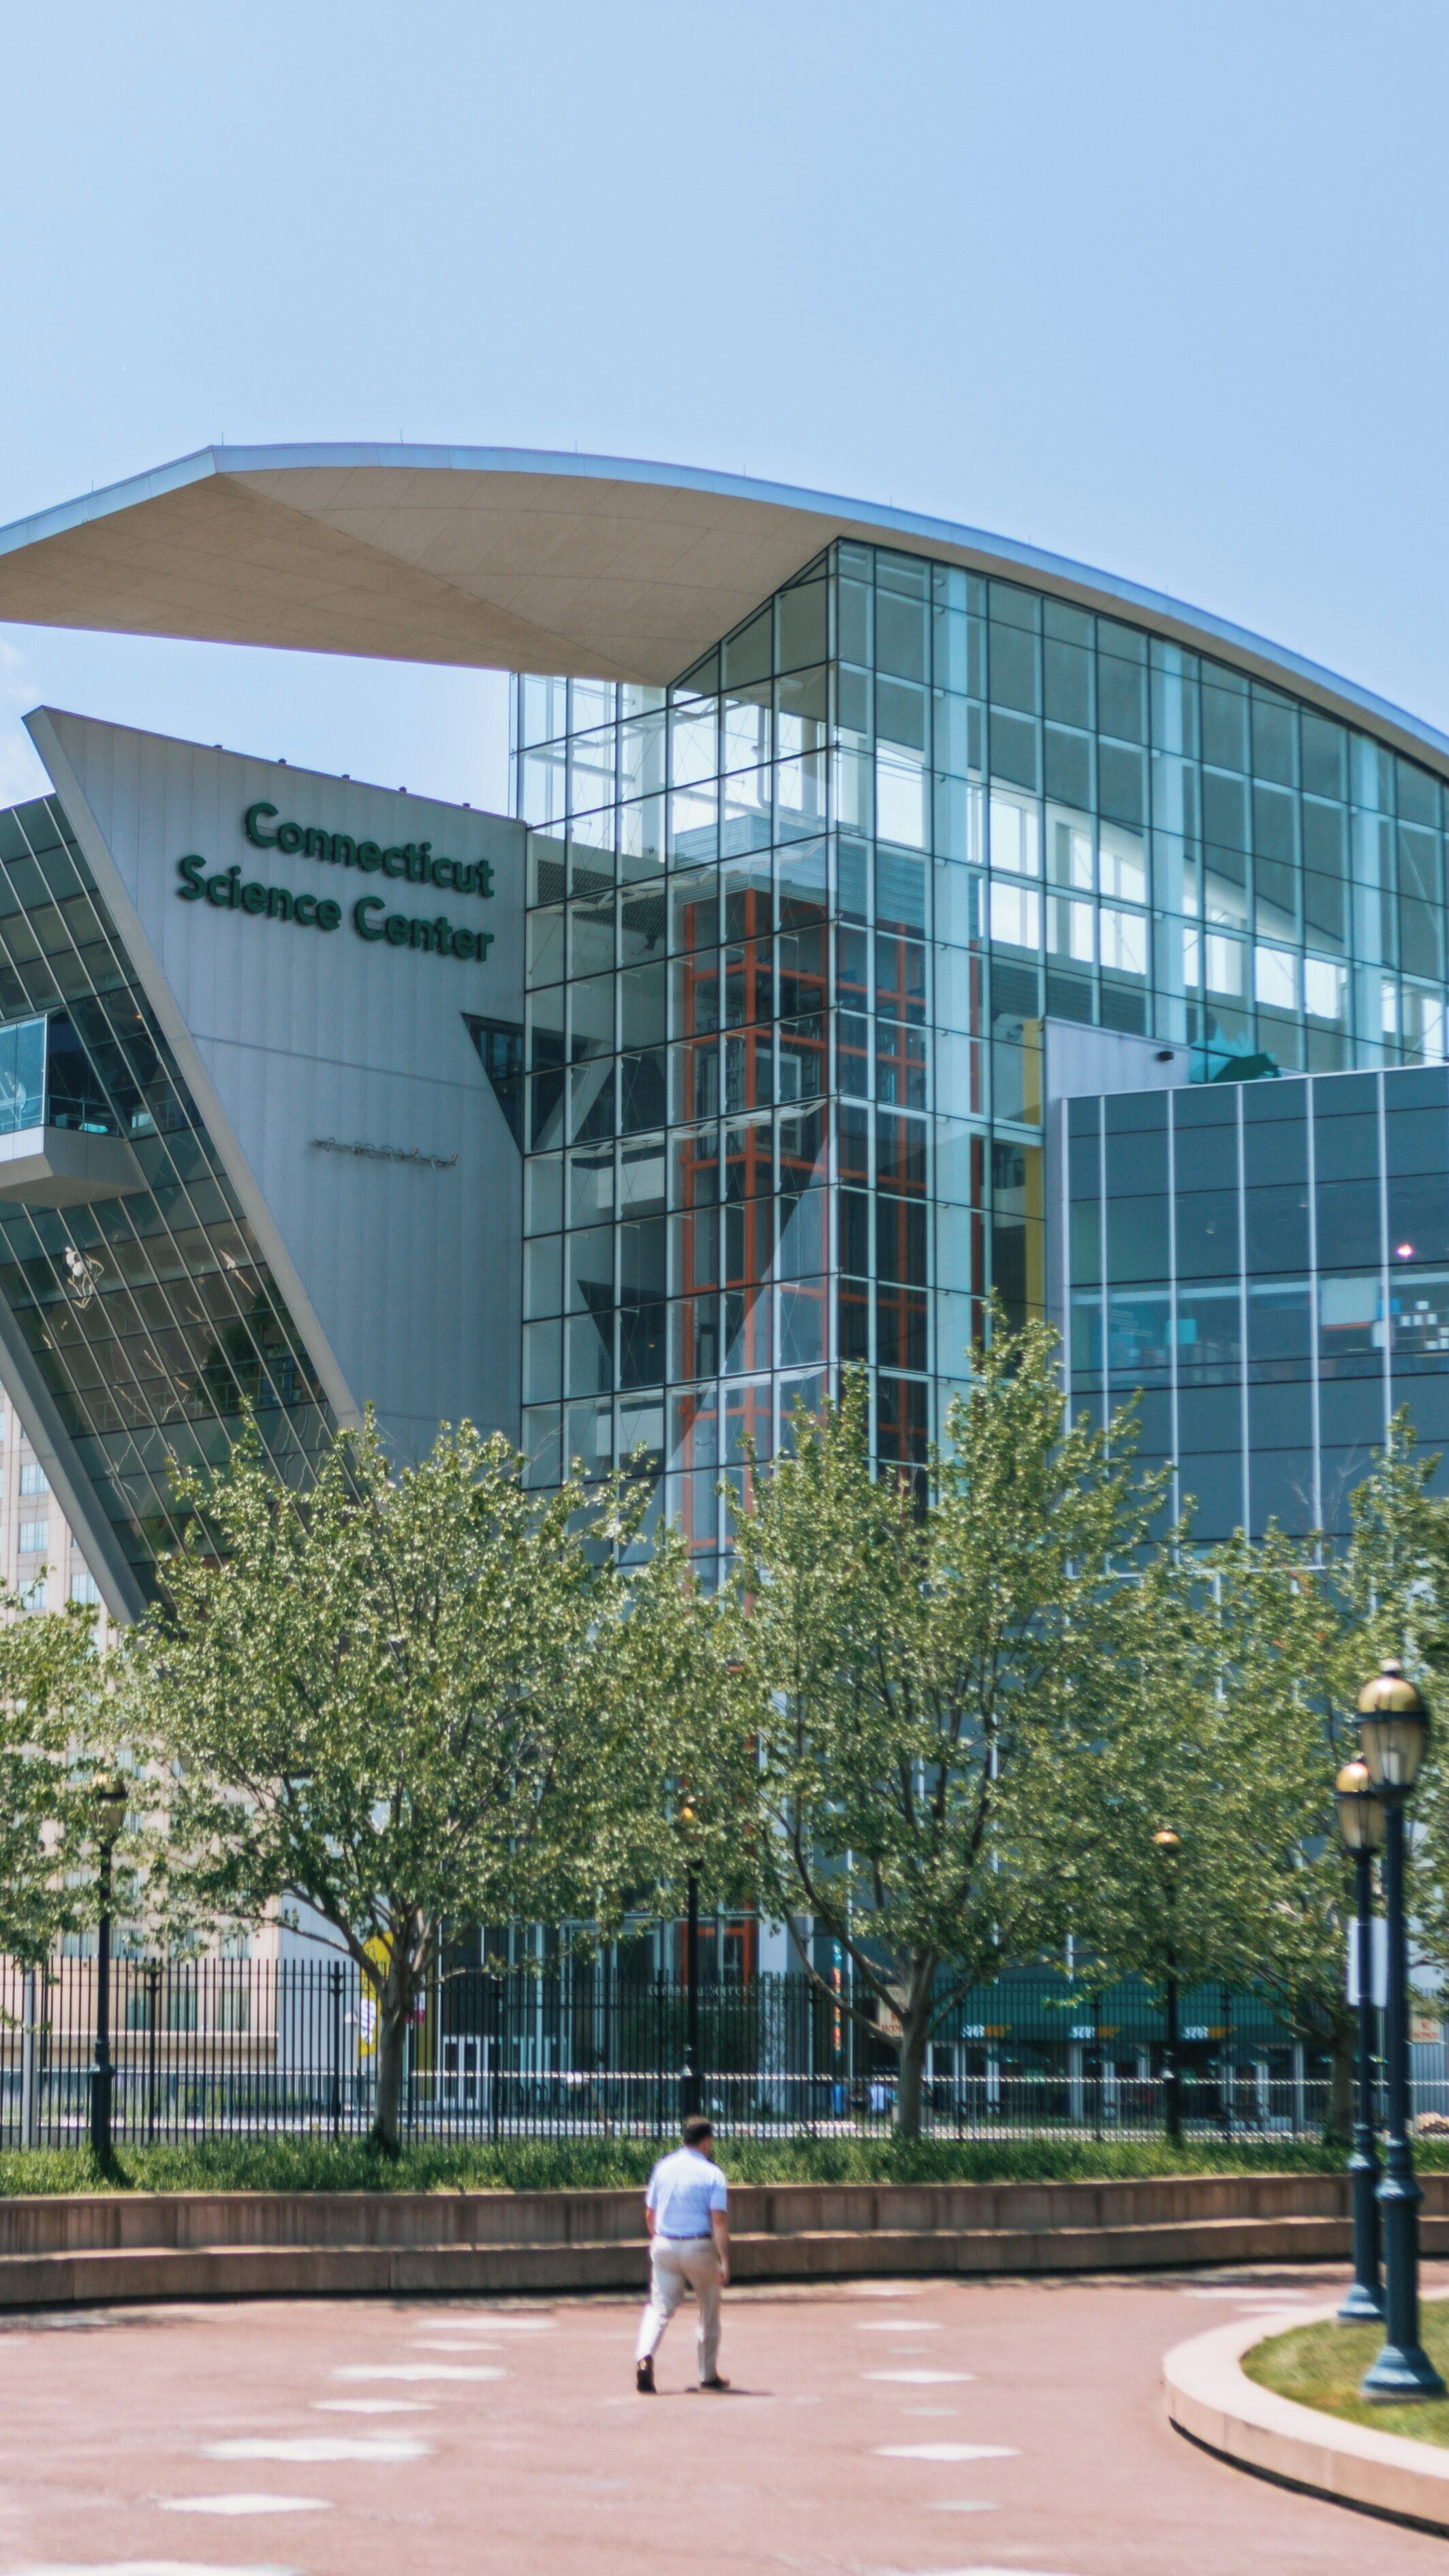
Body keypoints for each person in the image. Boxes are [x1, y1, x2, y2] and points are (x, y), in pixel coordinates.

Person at [634, 2113, 731, 2393]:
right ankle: (708, 2374)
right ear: (706, 2142)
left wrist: (659, 2237)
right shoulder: (713, 2173)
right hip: (698, 2245)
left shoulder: (663, 2167)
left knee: (659, 2308)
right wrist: (724, 2259)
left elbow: (650, 2212)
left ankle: (644, 2357)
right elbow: (719, 2221)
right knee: (709, 2309)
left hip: (664, 2243)